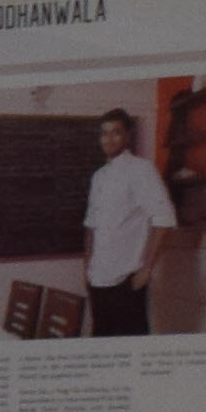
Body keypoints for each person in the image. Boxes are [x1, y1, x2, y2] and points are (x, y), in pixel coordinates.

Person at [79, 105, 179, 339]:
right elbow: (91, 224)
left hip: (126, 279)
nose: (109, 139)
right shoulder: (99, 176)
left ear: (128, 136)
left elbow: (164, 219)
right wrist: (87, 265)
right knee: (102, 344)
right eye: (104, 133)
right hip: (97, 278)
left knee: (131, 346)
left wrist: (147, 269)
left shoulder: (141, 169)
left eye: (116, 132)